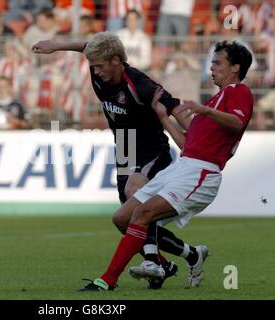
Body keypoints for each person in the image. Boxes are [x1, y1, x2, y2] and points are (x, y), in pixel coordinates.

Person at [75, 40, 253, 291]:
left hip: (202, 172)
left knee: (142, 213)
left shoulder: (238, 92)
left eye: (217, 63)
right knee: (122, 217)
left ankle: (109, 280)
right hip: (184, 165)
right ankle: (184, 257)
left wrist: (204, 110)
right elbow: (186, 143)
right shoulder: (215, 101)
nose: (211, 67)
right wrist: (162, 116)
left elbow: (237, 122)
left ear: (235, 67)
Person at [33, 32, 206, 289]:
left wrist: (197, 139)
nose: (95, 70)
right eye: (93, 65)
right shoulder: (98, 68)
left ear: (116, 60)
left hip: (151, 150)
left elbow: (173, 107)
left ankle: (152, 264)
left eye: (100, 65)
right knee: (124, 221)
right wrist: (57, 46)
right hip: (124, 147)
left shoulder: (140, 85)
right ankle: (188, 255)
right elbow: (87, 46)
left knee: (133, 194)